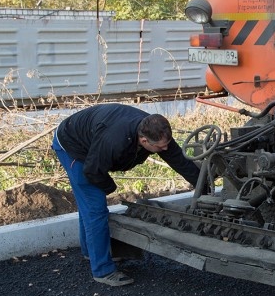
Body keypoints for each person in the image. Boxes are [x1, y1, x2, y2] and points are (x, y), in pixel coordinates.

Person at [51, 103, 201, 286]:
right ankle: (103, 271)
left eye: (166, 145)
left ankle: (90, 252)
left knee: (89, 206)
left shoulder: (156, 129)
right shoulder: (114, 140)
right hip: (72, 146)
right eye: (160, 148)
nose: (165, 149)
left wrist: (203, 184)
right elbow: (93, 171)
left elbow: (178, 160)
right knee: (95, 208)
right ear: (144, 141)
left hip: (94, 138)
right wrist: (110, 187)